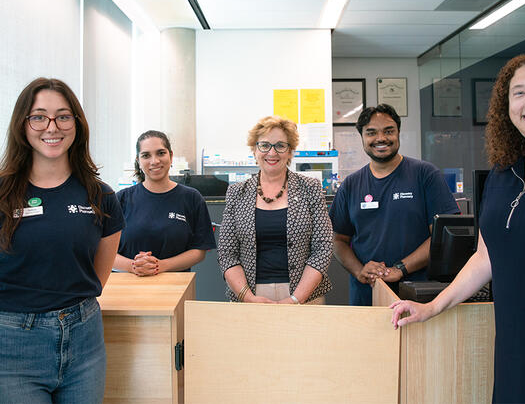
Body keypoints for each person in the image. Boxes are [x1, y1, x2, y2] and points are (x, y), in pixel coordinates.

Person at [390, 51, 525, 403]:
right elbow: (487, 256)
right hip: (518, 342)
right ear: (506, 106)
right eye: (519, 93)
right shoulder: (504, 172)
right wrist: (433, 306)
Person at [0, 78, 124, 403]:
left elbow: (96, 277)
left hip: (84, 340)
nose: (51, 126)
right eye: (39, 116)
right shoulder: (2, 194)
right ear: (23, 125)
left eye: (63, 116)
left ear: (77, 124)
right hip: (13, 345)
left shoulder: (101, 196)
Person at [329, 104, 459, 306]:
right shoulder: (351, 185)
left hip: (418, 295)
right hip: (367, 295)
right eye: (371, 132)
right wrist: (360, 270)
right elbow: (338, 240)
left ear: (398, 133)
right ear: (362, 137)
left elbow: (444, 236)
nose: (381, 138)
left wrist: (401, 268)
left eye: (388, 131)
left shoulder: (425, 175)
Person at [218, 116, 332, 304]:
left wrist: (296, 299)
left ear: (290, 151)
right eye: (264, 145)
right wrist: (248, 297)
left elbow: (323, 247)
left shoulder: (310, 188)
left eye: (280, 145)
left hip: (304, 295)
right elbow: (227, 252)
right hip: (250, 295)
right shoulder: (237, 192)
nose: (272, 152)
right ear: (254, 150)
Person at [113, 130, 215, 275]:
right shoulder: (121, 199)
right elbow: (103, 250)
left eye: (161, 153)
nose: (154, 161)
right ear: (138, 160)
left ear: (171, 156)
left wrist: (161, 265)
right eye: (146, 155)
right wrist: (133, 266)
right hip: (127, 287)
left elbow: (199, 250)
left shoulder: (191, 198)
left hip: (176, 287)